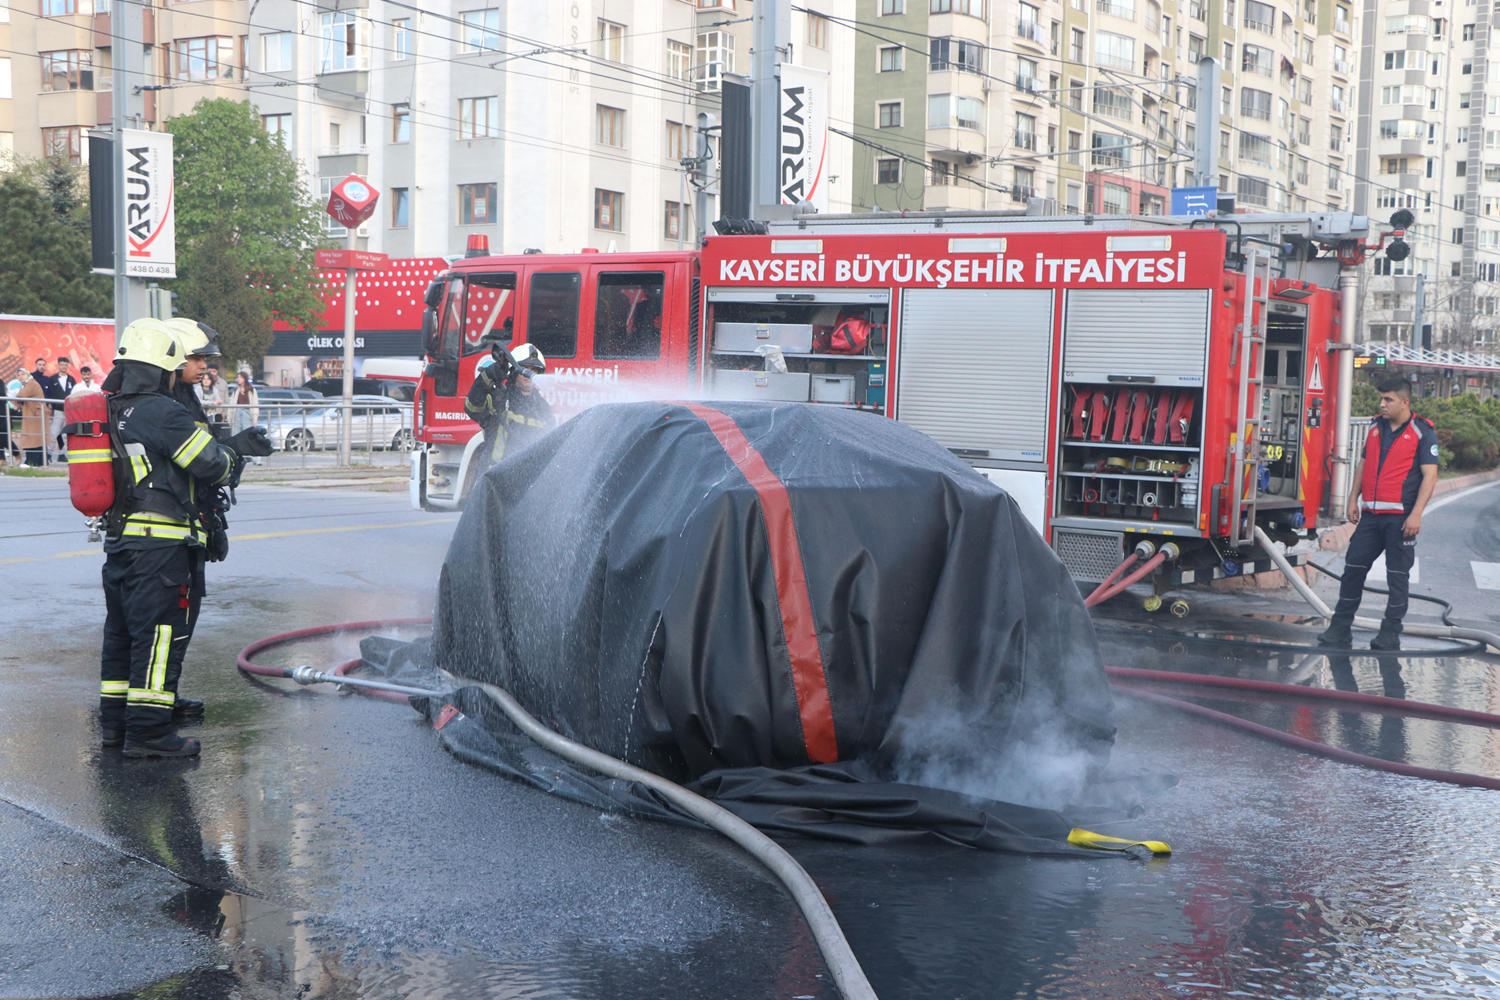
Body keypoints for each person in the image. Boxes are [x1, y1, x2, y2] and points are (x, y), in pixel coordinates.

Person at [98, 318, 273, 758]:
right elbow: (211, 465)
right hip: (161, 547)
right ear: (165, 367)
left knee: (122, 638)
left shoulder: (117, 407)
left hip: (124, 543)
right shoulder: (163, 410)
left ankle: (116, 728)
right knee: (158, 641)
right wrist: (237, 450)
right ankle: (149, 735)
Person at [1318, 376, 1440, 651]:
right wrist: (1352, 499)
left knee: (1397, 577)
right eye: (1381, 399)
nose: (1382, 404)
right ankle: (1340, 629)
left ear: (1405, 402)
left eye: (1388, 400)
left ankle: (1390, 633)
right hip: (1371, 517)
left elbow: (1429, 476)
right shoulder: (1375, 427)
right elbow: (1363, 464)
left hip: (1400, 519)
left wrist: (1417, 514)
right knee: (1352, 571)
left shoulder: (1423, 432)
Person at [464, 341, 555, 468]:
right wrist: (487, 376)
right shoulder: (499, 398)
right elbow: (472, 408)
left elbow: (550, 446)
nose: (529, 374)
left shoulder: (543, 408)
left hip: (525, 480)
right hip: (492, 477)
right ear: (514, 371)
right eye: (525, 368)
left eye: (534, 370)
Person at [16, 368, 46, 467]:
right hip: (34, 414)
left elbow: (21, 395)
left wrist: (16, 394)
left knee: (32, 438)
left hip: (34, 415)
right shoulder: (28, 384)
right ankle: (38, 462)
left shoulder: (31, 384)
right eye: (19, 375)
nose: (21, 376)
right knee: (34, 438)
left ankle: (32, 462)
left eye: (22, 374)